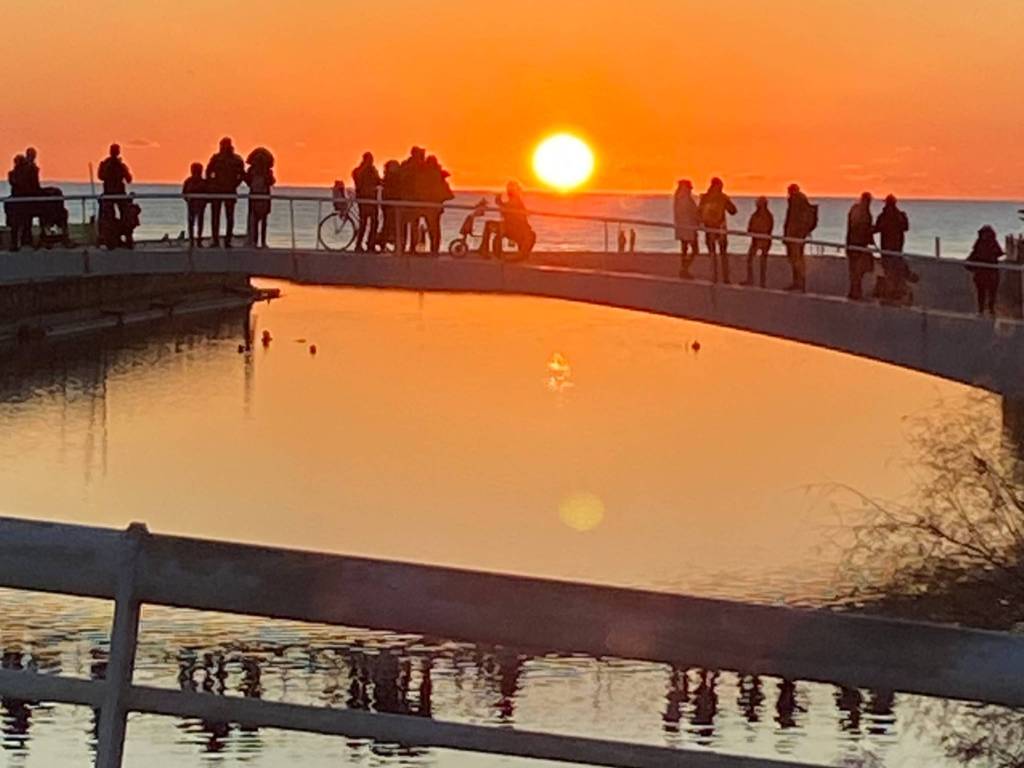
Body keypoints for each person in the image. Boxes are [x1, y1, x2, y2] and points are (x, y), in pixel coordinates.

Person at [874, 194, 916, 304]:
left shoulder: (884, 216)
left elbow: (876, 228)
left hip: (887, 250)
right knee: (895, 271)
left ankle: (893, 294)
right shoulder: (900, 215)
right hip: (897, 249)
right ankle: (896, 293)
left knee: (890, 272)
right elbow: (906, 227)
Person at [206, 137, 245, 248]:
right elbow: (208, 171)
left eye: (224, 145)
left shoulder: (236, 160)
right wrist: (212, 183)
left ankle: (228, 240)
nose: (223, 147)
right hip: (217, 190)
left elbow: (241, 174)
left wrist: (235, 184)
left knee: (230, 216)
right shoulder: (216, 158)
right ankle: (215, 240)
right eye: (221, 145)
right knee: (215, 216)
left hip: (230, 190)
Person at [698, 177, 737, 283]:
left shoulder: (706, 198)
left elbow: (733, 211)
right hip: (717, 228)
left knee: (716, 253)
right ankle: (721, 277)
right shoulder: (718, 198)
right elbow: (733, 211)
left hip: (715, 228)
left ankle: (719, 277)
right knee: (719, 254)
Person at [484, 181, 536, 260]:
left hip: (513, 228)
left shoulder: (516, 201)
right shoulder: (514, 200)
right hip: (509, 226)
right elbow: (505, 208)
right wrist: (499, 201)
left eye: (510, 189)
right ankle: (485, 249)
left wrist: (499, 201)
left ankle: (486, 250)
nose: (508, 191)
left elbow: (507, 208)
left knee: (492, 226)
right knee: (489, 225)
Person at [97, 143, 133, 248]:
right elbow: (101, 176)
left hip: (117, 194)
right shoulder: (107, 164)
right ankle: (111, 238)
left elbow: (128, 179)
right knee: (109, 217)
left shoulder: (118, 165)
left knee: (125, 216)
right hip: (110, 195)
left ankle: (125, 237)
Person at [782, 184, 817, 292]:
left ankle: (799, 283)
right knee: (797, 259)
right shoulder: (801, 200)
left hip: (795, 235)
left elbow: (792, 219)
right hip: (799, 235)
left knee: (796, 259)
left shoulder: (796, 200)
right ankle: (799, 283)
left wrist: (788, 234)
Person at [966, 225, 1003, 315]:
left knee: (991, 293)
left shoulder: (992, 243)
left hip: (990, 273)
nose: (985, 236)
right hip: (982, 273)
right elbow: (974, 254)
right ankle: (982, 310)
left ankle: (990, 310)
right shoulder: (980, 243)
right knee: (981, 292)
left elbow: (998, 253)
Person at [845, 192, 875, 300]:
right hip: (858, 245)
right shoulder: (862, 212)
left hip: (854, 244)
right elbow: (859, 228)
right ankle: (855, 292)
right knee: (857, 270)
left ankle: (855, 291)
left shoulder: (856, 210)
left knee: (856, 270)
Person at [398, 147, 428, 253]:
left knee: (410, 225)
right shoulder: (414, 167)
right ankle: (405, 246)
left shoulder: (407, 166)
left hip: (411, 200)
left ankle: (409, 246)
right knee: (407, 225)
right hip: (410, 199)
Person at [421, 154, 453, 255]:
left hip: (433, 206)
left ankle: (434, 249)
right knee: (434, 229)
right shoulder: (431, 175)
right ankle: (434, 249)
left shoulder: (432, 176)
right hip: (431, 206)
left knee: (433, 229)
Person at [245, 148, 276, 248]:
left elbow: (271, 181)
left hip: (262, 197)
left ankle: (260, 241)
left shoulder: (267, 172)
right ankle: (256, 241)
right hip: (257, 196)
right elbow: (248, 180)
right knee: (256, 220)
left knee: (261, 221)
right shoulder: (252, 171)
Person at [352, 152, 382, 251]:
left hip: (363, 199)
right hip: (369, 199)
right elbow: (378, 181)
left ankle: (360, 244)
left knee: (364, 223)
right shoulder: (369, 171)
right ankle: (369, 244)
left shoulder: (358, 170)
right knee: (372, 222)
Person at [673, 179, 700, 278]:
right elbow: (693, 212)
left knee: (684, 249)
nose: (690, 190)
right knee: (694, 250)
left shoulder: (678, 198)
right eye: (689, 188)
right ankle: (684, 268)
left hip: (683, 227)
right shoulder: (685, 199)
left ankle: (684, 269)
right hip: (688, 228)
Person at [744, 197, 774, 287]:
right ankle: (752, 280)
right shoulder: (758, 215)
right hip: (757, 240)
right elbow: (750, 228)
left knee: (761, 262)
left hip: (763, 241)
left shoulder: (766, 216)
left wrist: (756, 232)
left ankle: (761, 282)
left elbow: (768, 228)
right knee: (751, 260)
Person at [6, 155, 33, 251]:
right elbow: (17, 184)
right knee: (16, 223)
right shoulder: (13, 174)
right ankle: (15, 242)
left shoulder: (26, 174)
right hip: (17, 202)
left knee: (25, 222)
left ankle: (23, 240)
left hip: (23, 201)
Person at [182, 162, 207, 248]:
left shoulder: (203, 182)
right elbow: (184, 193)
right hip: (191, 204)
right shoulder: (188, 181)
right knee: (191, 222)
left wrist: (203, 202)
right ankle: (192, 240)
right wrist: (188, 200)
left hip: (200, 205)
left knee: (200, 222)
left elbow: (207, 193)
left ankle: (199, 240)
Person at [379, 160, 402, 251]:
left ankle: (384, 242)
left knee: (388, 224)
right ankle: (386, 241)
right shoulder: (392, 178)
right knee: (391, 224)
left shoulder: (387, 178)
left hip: (387, 203)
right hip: (390, 204)